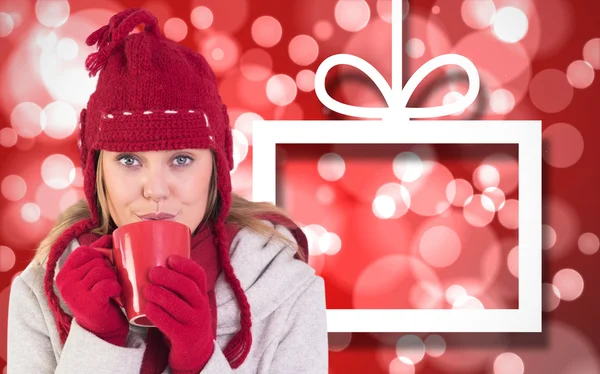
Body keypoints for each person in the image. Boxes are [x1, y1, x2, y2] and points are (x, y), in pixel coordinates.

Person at [7, 7, 328, 374]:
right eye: (128, 160)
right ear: (97, 172)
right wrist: (98, 342)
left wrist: (200, 360)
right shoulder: (41, 293)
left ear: (217, 168)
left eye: (181, 160)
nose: (156, 190)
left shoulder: (287, 289)